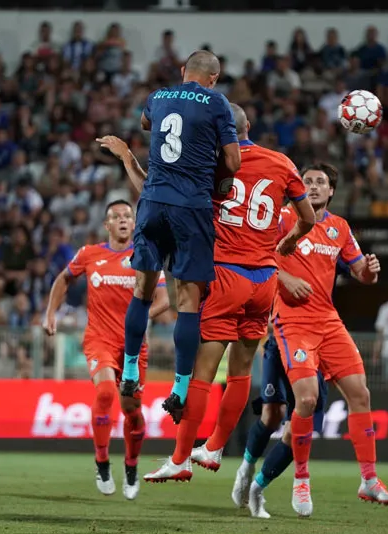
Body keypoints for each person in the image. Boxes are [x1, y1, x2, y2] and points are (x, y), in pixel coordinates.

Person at [130, 103, 315, 482]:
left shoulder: (209, 164)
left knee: (202, 373)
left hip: (225, 274)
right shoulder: (282, 162)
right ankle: (214, 448)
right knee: (241, 372)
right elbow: (308, 218)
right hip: (264, 279)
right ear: (249, 126)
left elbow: (161, 195)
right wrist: (290, 241)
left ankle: (180, 459)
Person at [245, 163, 388, 518]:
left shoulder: (340, 228)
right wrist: (285, 280)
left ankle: (369, 479)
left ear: (330, 192)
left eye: (319, 182)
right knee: (307, 400)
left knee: (361, 393)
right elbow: (258, 258)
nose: (312, 186)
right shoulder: (281, 218)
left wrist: (370, 273)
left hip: (328, 321)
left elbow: (359, 272)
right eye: (306, 181)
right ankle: (300, 478)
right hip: (291, 321)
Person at [117, 50, 240, 421]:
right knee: (188, 300)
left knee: (142, 289)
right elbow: (233, 162)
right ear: (214, 79)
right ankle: (180, 390)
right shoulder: (218, 103)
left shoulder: (158, 96)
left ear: (184, 71)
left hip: (153, 200)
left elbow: (144, 123)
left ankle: (129, 371)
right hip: (192, 206)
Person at [44, 200, 170, 500]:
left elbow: (165, 300)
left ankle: (131, 465)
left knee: (132, 411)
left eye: (128, 216)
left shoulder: (145, 254)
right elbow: (64, 279)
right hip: (99, 338)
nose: (124, 220)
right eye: (117, 216)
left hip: (134, 345)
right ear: (107, 225)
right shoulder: (90, 254)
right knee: (104, 394)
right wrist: (50, 312)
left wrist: (139, 318)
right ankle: (102, 461)